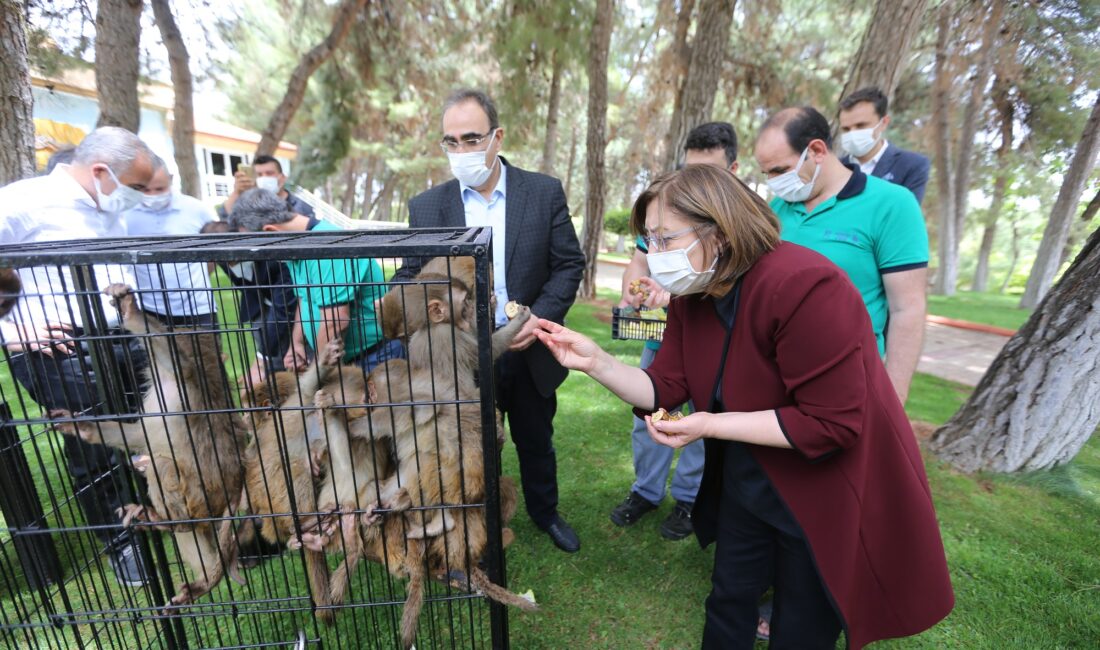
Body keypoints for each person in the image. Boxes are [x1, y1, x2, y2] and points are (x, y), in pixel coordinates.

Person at [534, 165, 954, 648]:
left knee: (801, 626)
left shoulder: (806, 284)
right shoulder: (697, 293)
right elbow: (666, 385)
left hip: (822, 489)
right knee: (729, 598)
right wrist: (598, 363)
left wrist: (711, 423)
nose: (653, 257)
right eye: (649, 241)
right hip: (749, 478)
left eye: (666, 239)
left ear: (720, 228)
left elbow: (830, 423)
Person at [392, 89, 586, 553]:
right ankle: (473, 517)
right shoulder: (428, 207)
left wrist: (537, 318)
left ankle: (545, 512)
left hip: (527, 346)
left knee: (535, 437)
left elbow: (568, 265)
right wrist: (413, 305)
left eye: (471, 138)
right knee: (466, 441)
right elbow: (409, 274)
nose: (461, 151)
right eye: (451, 141)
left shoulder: (542, 192)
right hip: (461, 357)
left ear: (497, 137)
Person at [0, 126, 156, 586]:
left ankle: (157, 513)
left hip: (116, 336)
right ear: (102, 171)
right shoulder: (24, 202)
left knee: (142, 427)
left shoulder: (108, 206)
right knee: (93, 441)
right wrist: (12, 331)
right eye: (137, 188)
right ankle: (121, 541)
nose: (142, 197)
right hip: (58, 347)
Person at [611, 121, 740, 540]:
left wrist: (682, 296)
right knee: (649, 417)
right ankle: (645, 491)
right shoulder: (666, 212)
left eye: (709, 174)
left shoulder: (736, 225)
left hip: (708, 348)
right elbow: (641, 258)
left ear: (732, 172)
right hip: (659, 341)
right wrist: (637, 286)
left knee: (699, 424)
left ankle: (688, 499)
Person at [754, 106, 928, 405]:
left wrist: (893, 398)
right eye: (766, 172)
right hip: (773, 378)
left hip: (846, 380)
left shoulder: (892, 204)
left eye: (780, 170)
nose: (773, 181)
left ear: (818, 150)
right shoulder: (775, 211)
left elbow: (907, 309)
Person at [228, 188, 401, 372]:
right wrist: (297, 343)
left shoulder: (327, 246)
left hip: (374, 360)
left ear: (270, 230)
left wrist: (317, 375)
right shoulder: (295, 248)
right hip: (345, 360)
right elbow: (305, 298)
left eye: (258, 245)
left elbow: (335, 322)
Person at [126, 155, 217, 328]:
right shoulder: (126, 215)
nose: (153, 195)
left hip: (198, 307)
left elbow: (213, 253)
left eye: (159, 189)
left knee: (208, 355)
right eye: (145, 190)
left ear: (171, 180)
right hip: (148, 309)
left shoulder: (197, 209)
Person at [838, 86, 932, 202]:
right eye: (846, 129)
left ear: (884, 123)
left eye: (861, 126)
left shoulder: (912, 165)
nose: (852, 134)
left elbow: (905, 215)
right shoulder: (835, 168)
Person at [218, 154, 315, 219]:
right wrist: (236, 192)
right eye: (259, 175)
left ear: (282, 178)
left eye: (269, 173)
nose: (264, 177)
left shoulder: (301, 206)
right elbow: (226, 218)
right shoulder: (249, 204)